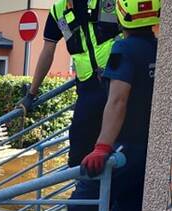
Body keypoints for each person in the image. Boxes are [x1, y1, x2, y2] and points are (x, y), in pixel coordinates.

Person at [80, 0, 161, 211]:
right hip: (153, 149)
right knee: (132, 210)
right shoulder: (161, 50)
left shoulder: (124, 50)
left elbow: (117, 101)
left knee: (89, 205)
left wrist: (102, 146)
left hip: (128, 148)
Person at [18, 0, 120, 168]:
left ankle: (113, 191)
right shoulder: (59, 11)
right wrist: (31, 94)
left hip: (117, 79)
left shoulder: (107, 1)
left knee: (120, 144)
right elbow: (47, 52)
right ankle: (84, 190)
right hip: (88, 88)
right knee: (79, 149)